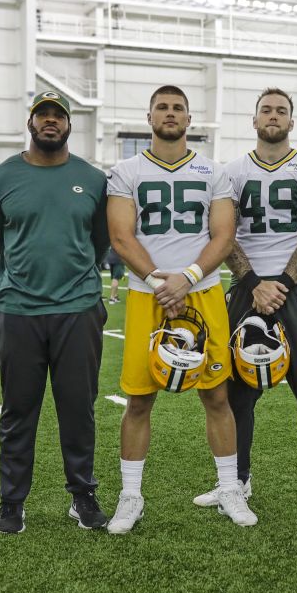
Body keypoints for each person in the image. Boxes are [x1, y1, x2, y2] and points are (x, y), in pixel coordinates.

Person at [103, 85, 255, 533]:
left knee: (217, 394)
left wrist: (185, 278)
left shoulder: (214, 171)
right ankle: (131, 496)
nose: (170, 114)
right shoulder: (126, 170)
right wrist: (158, 281)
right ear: (148, 116)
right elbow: (120, 236)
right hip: (146, 294)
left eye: (178, 108)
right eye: (162, 107)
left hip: (202, 290)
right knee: (138, 398)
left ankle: (229, 486)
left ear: (189, 120)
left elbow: (224, 235)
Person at [207, 87, 297, 525]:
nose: (273, 116)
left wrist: (280, 284)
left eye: (281, 111)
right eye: (266, 110)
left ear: (291, 122)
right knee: (237, 395)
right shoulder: (230, 172)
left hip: (296, 291)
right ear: (254, 121)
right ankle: (237, 482)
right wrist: (253, 283)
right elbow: (223, 234)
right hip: (245, 289)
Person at [0, 90, 111, 534]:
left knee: (78, 408)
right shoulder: (0, 178)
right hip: (18, 310)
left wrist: (73, 276)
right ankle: (12, 502)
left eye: (58, 116)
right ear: (31, 124)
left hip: (78, 308)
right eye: (42, 115)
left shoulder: (92, 179)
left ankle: (82, 495)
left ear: (69, 125)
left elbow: (100, 242)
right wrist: (24, 273)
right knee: (18, 410)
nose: (50, 122)